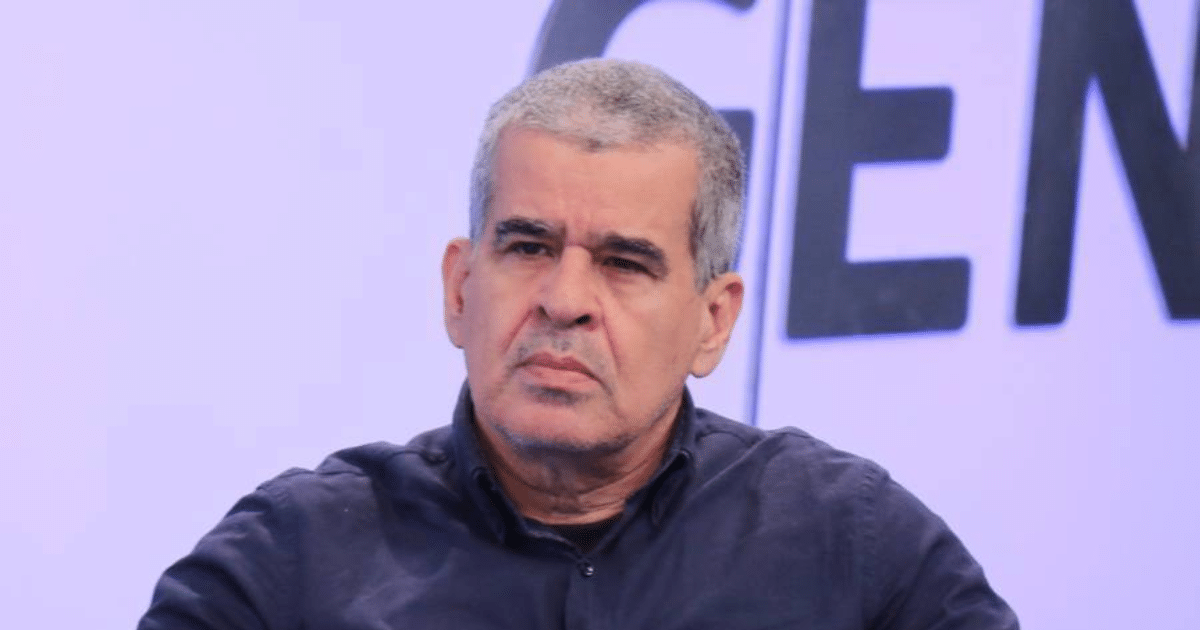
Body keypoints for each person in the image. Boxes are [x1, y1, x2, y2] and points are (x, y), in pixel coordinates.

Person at [139, 58, 1019, 629]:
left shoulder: (851, 545)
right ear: (460, 288)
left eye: (625, 263)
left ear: (712, 320)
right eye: (528, 247)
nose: (564, 300)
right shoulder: (292, 563)